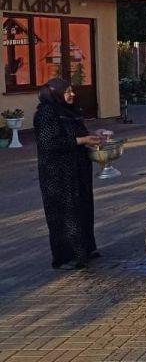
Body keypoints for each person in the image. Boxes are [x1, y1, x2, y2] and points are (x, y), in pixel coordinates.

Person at [33, 77, 102, 269]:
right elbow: (49, 143)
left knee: (83, 209)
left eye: (72, 90)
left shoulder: (70, 111)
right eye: (67, 91)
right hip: (58, 174)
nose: (72, 94)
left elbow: (79, 134)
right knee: (65, 214)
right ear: (54, 93)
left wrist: (93, 138)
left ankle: (86, 250)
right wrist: (81, 141)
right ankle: (65, 257)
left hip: (78, 169)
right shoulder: (46, 113)